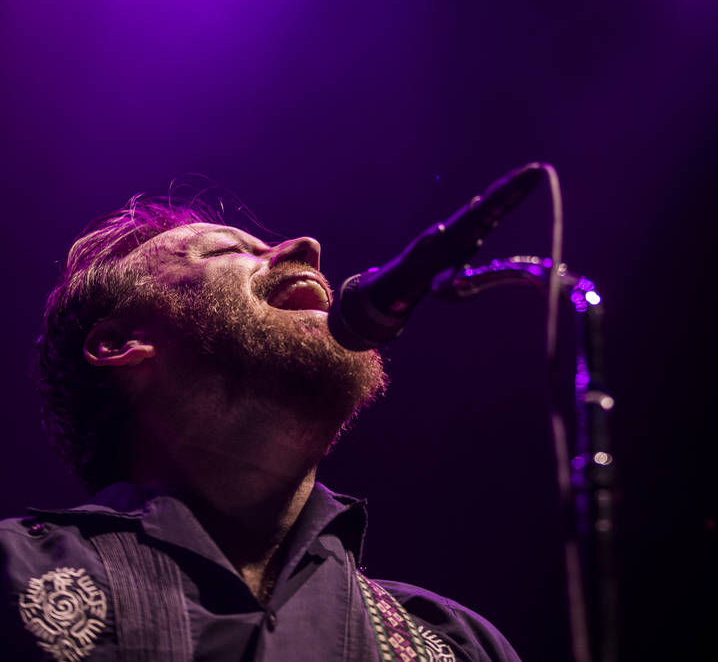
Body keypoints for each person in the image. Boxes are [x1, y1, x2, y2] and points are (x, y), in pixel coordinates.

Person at [0, 197, 522, 661]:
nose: (307, 246)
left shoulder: (457, 643)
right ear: (120, 344)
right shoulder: (13, 574)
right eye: (228, 249)